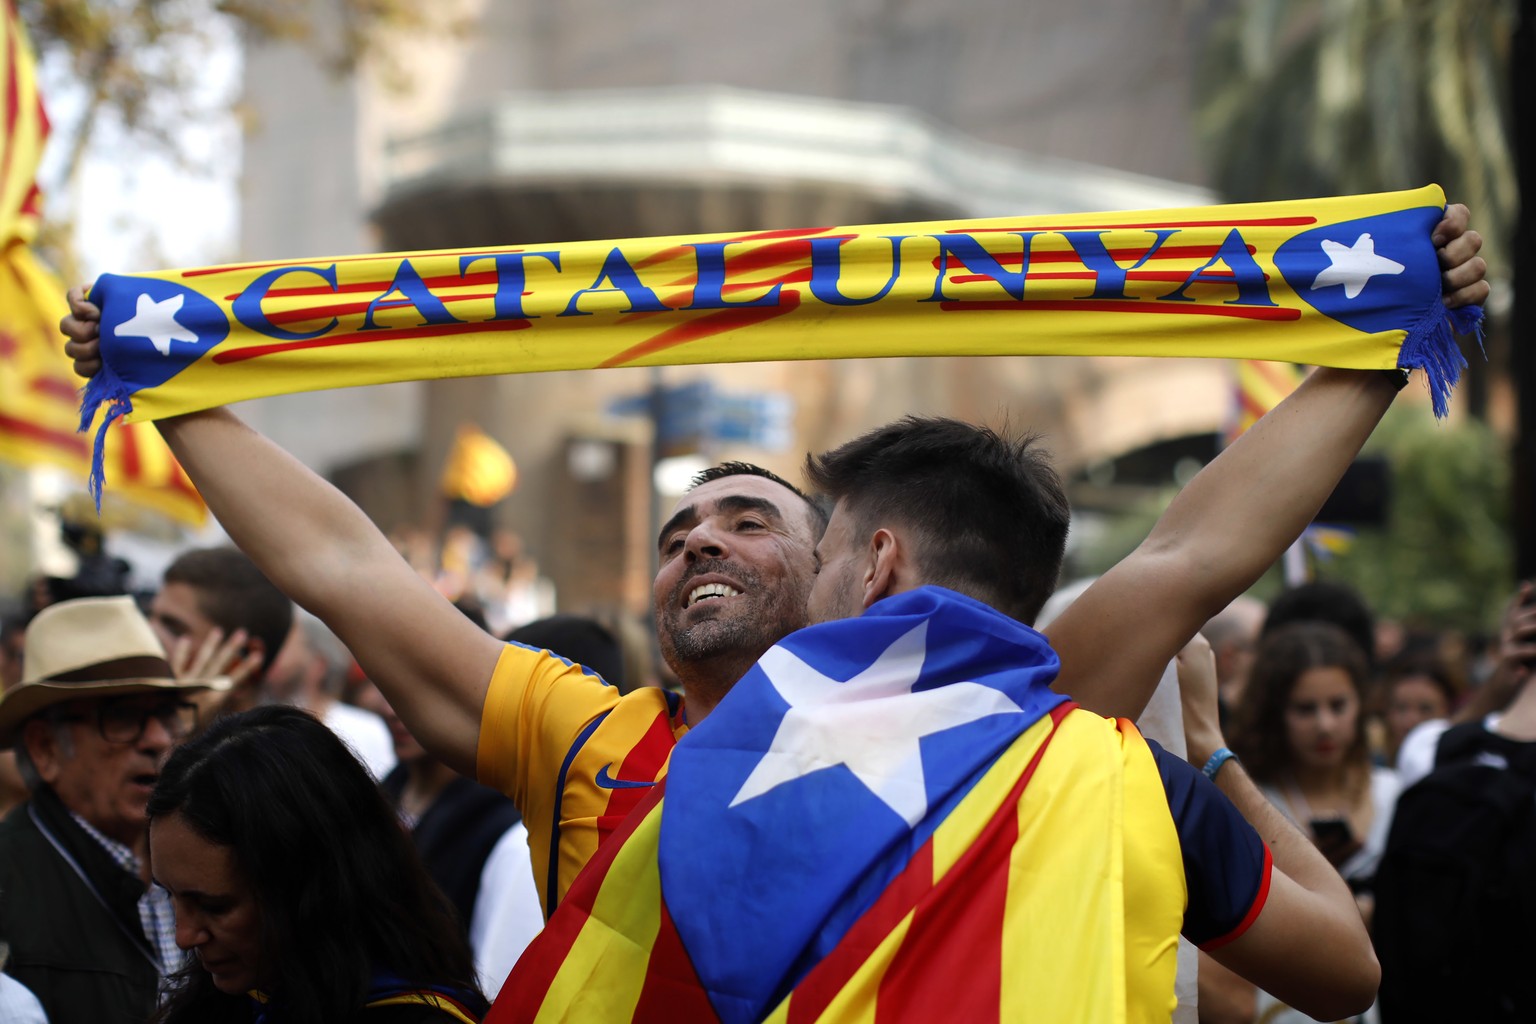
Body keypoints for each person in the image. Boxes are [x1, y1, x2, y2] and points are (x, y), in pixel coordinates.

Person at [58, 204, 1488, 922]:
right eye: (679, 531)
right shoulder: (580, 741)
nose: (699, 542)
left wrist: (1383, 332)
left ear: (852, 571)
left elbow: (1191, 552)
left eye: (747, 519)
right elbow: (340, 563)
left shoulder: (993, 711)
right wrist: (169, 388)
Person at [147, 704, 488, 1023]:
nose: (184, 936)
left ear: (309, 885)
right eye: (168, 896)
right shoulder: (226, 1003)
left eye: (213, 906)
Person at [0, 595, 227, 1023]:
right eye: (122, 717)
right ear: (45, 748)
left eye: (168, 714)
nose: (158, 740)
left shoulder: (201, 859)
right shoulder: (9, 891)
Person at [358, 675, 542, 998]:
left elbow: (497, 988)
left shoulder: (504, 831)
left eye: (416, 687)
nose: (390, 707)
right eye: (384, 684)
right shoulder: (372, 801)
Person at [267, 611, 396, 778]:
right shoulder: (266, 726)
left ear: (319, 664)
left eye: (288, 643)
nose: (277, 655)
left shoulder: (366, 730)